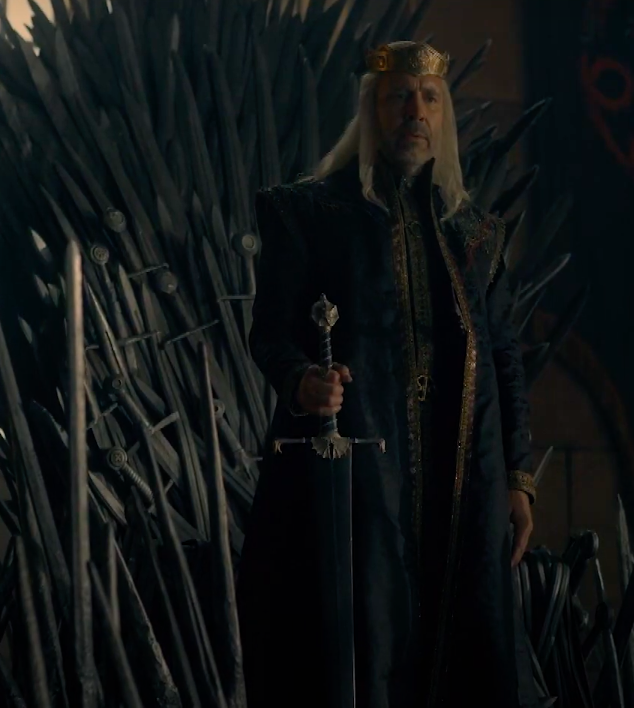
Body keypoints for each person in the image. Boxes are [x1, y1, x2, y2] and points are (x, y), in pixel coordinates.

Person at [239, 40, 538, 708]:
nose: (415, 112)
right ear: (372, 110)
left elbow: (504, 356)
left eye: (429, 98)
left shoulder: (475, 235)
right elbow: (270, 331)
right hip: (361, 468)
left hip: (464, 468)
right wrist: (302, 381)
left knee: (464, 646)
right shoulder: (308, 213)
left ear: (444, 116)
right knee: (361, 641)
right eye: (399, 96)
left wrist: (518, 478)